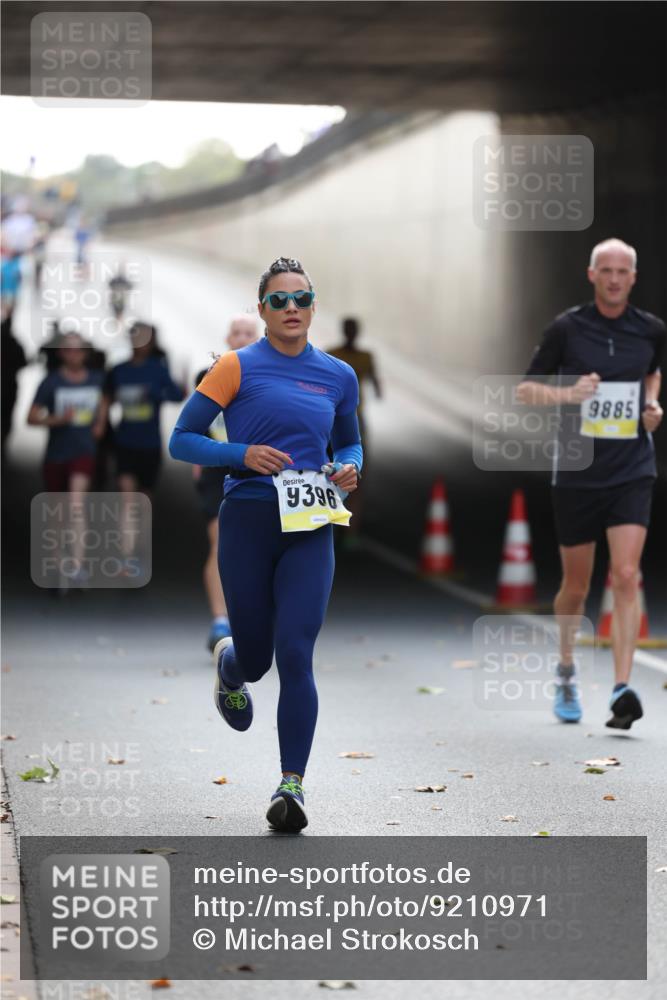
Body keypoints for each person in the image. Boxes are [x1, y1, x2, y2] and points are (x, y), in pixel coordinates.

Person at [170, 257, 362, 832]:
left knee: (296, 653)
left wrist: (349, 469)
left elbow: (350, 443)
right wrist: (240, 453)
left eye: (301, 298)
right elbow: (183, 439)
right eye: (278, 301)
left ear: (313, 305)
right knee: (255, 660)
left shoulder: (337, 375)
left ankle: (291, 787)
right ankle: (229, 665)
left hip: (310, 524)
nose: (291, 309)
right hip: (249, 521)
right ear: (262, 310)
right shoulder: (234, 367)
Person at [517, 238, 665, 730]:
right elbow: (525, 389)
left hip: (631, 467)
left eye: (624, 270)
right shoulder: (568, 327)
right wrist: (568, 392)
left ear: (634, 278)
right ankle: (565, 670)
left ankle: (622, 688)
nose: (616, 278)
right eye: (607, 270)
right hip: (577, 469)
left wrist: (652, 409)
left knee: (625, 575)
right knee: (576, 588)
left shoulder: (650, 330)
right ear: (592, 274)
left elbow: (652, 375)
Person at [193, 314, 259, 652]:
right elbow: (195, 425)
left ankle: (250, 617)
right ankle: (220, 620)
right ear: (228, 337)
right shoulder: (208, 377)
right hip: (218, 470)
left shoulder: (269, 378)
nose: (243, 338)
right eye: (237, 333)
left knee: (256, 550)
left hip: (258, 470)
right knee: (220, 544)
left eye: (250, 333)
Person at [27, 332, 106, 587]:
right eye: (69, 350)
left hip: (84, 452)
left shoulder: (96, 380)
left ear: (86, 353)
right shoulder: (51, 382)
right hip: (56, 454)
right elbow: (31, 417)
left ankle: (77, 564)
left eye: (79, 350)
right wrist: (58, 420)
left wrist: (100, 423)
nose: (75, 355)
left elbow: (106, 400)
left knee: (76, 504)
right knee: (57, 514)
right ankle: (57, 563)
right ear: (61, 353)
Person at [104, 323, 183, 567]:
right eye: (136, 337)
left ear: (152, 343)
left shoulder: (157, 371)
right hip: (125, 442)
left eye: (145, 339)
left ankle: (138, 547)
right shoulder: (119, 371)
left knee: (143, 503)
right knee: (127, 499)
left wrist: (170, 388)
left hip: (150, 446)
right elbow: (105, 399)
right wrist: (100, 426)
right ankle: (127, 557)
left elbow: (177, 396)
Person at [326, 317, 381, 538]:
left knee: (351, 473)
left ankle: (348, 530)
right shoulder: (352, 357)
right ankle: (343, 529)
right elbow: (378, 388)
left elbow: (376, 384)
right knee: (339, 472)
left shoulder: (338, 355)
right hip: (338, 420)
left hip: (350, 419)